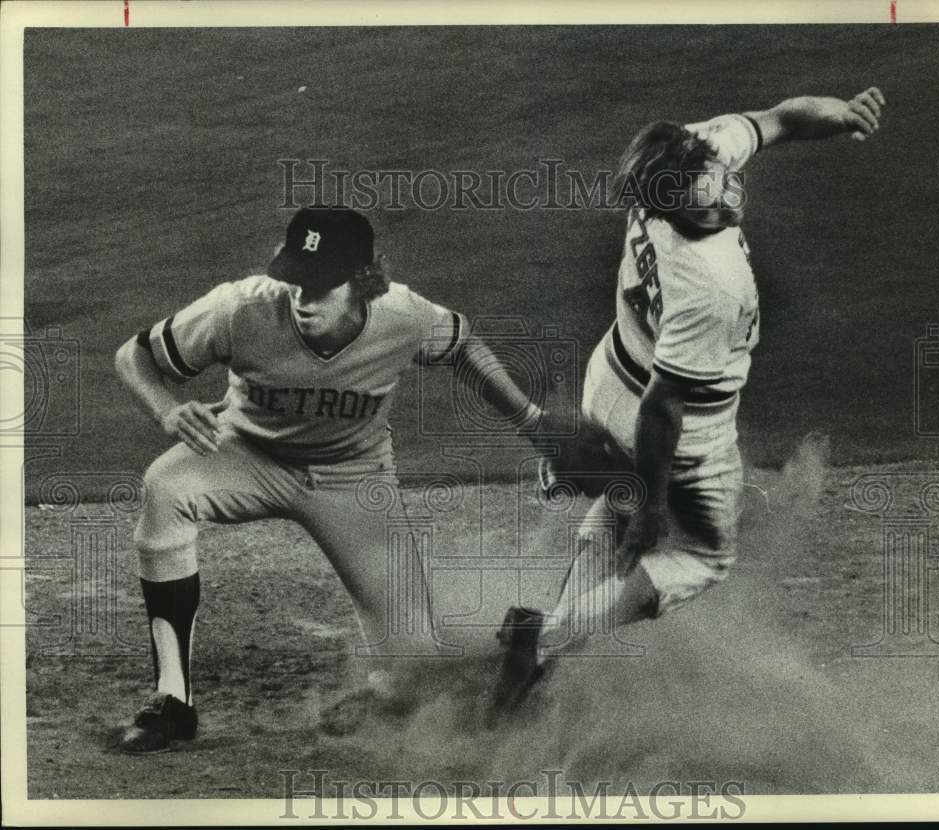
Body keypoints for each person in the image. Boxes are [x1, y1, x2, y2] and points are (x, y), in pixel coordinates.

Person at [490, 87, 887, 718]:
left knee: (617, 515)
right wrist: (652, 504)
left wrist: (836, 115)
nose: (726, 210)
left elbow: (777, 119)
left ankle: (532, 661)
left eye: (723, 191)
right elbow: (662, 408)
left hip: (610, 380)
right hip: (675, 428)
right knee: (702, 555)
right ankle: (546, 637)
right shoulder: (709, 283)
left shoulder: (684, 159)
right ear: (674, 209)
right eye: (705, 214)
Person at [115, 205, 544, 752]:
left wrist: (530, 420)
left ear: (364, 280)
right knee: (166, 486)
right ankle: (172, 702)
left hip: (352, 479)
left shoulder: (404, 316)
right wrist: (167, 412)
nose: (302, 296)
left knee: (414, 661)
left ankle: (480, 656)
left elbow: (463, 346)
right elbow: (134, 355)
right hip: (246, 454)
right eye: (295, 280)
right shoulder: (239, 308)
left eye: (320, 285)